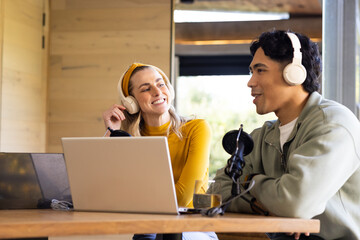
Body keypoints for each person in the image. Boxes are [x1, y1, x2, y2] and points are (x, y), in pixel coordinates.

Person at [211, 30, 360, 240]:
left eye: (260, 70)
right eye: (251, 71)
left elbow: (294, 204)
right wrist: (266, 207)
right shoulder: (263, 136)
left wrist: (251, 181)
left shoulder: (333, 124)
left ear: (294, 73)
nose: (250, 82)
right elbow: (217, 190)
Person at [102, 62, 218, 240]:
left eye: (160, 83)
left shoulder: (197, 129)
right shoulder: (129, 141)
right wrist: (113, 133)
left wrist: (140, 201)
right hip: (151, 228)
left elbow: (182, 198)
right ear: (131, 102)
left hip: (194, 227)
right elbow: (111, 195)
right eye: (146, 88)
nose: (157, 92)